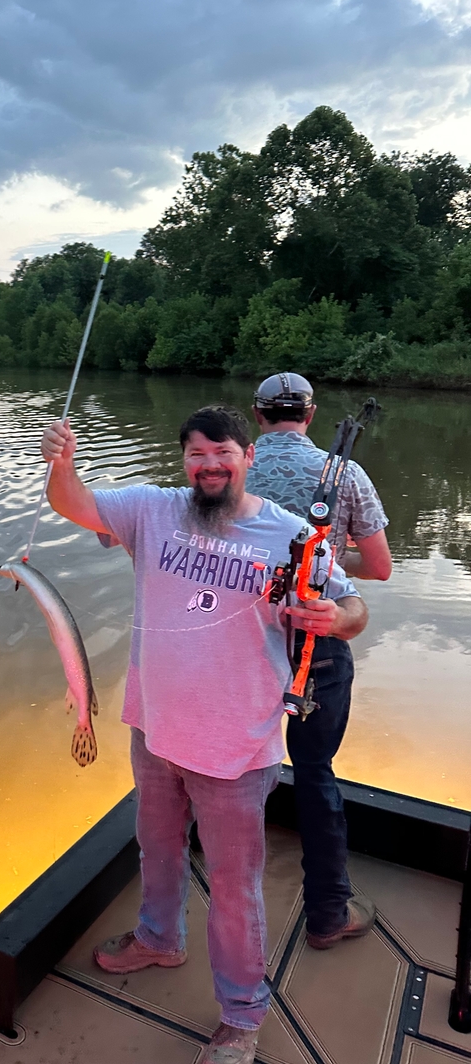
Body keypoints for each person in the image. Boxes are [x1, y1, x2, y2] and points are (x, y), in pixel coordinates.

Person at [40, 405, 367, 1064]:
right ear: (183, 461)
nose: (209, 466)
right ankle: (159, 939)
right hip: (154, 729)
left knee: (234, 888)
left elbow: (357, 608)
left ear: (249, 458)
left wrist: (334, 617)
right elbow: (73, 504)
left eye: (223, 454)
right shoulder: (151, 511)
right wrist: (62, 465)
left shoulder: (295, 535)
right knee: (155, 851)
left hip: (236, 749)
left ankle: (242, 1017)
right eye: (196, 455)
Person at [246, 372, 391, 951]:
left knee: (231, 761)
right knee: (313, 771)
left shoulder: (237, 467)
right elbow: (379, 567)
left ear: (257, 416)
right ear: (309, 414)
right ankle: (329, 912)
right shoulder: (346, 474)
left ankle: (221, 889)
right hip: (318, 636)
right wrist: (327, 554)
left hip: (242, 639)